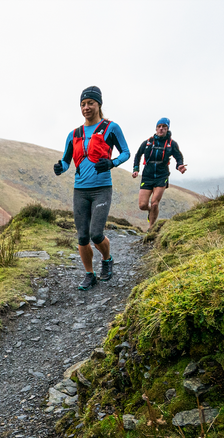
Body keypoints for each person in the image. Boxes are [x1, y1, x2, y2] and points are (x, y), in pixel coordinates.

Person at [53, 86, 130, 291]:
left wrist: (111, 163)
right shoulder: (74, 133)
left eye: (90, 103)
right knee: (82, 236)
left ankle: (107, 259)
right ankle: (89, 274)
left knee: (96, 233)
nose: (86, 107)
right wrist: (61, 167)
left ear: (99, 105)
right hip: (81, 190)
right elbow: (66, 160)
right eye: (83, 104)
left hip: (102, 188)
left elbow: (126, 152)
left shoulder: (111, 128)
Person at [132, 118, 186, 232]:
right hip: (147, 175)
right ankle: (150, 211)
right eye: (159, 126)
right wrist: (136, 169)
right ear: (156, 128)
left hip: (162, 175)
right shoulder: (148, 142)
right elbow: (138, 155)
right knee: (142, 205)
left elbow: (178, 157)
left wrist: (179, 166)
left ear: (167, 129)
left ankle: (150, 229)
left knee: (155, 203)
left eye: (164, 127)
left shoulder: (171, 144)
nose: (161, 129)